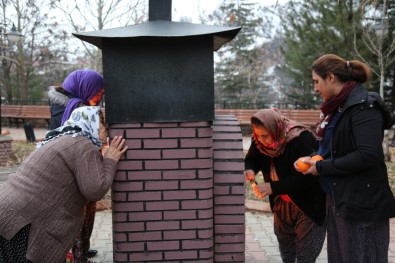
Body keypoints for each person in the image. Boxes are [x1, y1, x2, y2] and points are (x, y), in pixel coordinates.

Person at [296, 53, 395, 262]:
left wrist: (321, 168)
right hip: (339, 199)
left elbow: (367, 154)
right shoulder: (337, 108)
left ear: (331, 77)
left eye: (316, 81)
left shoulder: (364, 106)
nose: (315, 88)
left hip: (361, 205)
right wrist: (315, 159)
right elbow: (336, 149)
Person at [0, 106, 127, 263]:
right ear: (91, 123)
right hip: (25, 224)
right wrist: (110, 160)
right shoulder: (83, 144)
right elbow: (95, 190)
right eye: (102, 124)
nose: (107, 130)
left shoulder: (62, 138)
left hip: (8, 211)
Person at [244, 108, 326, 263]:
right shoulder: (259, 141)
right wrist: (250, 169)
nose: (261, 140)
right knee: (286, 249)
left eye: (265, 136)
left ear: (275, 128)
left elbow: (306, 178)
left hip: (308, 204)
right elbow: (252, 159)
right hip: (282, 203)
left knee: (306, 254)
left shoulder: (300, 139)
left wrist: (272, 187)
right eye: (258, 136)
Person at [48, 69, 105, 262]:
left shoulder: (78, 104)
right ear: (86, 88)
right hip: (70, 168)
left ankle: (83, 249)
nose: (100, 95)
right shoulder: (69, 108)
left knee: (88, 207)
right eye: (98, 91)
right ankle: (79, 255)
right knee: (79, 211)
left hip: (81, 164)